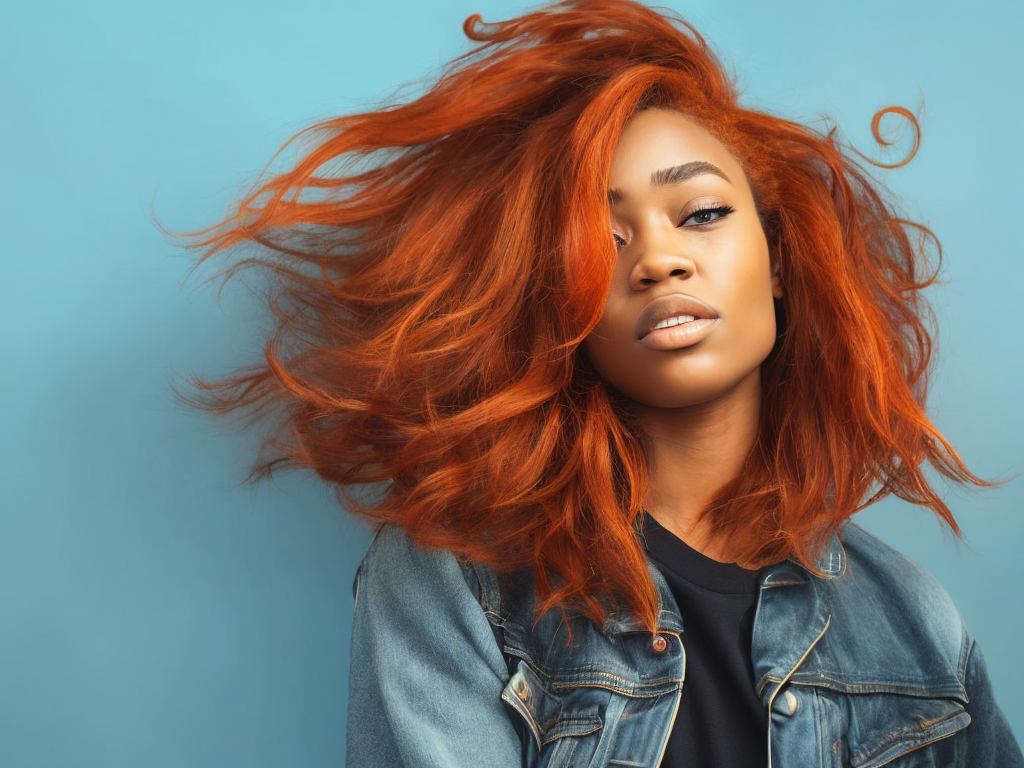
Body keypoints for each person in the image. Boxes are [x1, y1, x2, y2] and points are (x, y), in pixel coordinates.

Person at [189, 1, 1023, 765]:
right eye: (599, 240)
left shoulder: (912, 623)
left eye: (701, 213)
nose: (658, 259)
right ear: (560, 303)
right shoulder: (458, 578)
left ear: (778, 259)